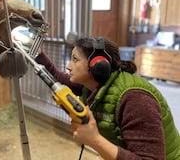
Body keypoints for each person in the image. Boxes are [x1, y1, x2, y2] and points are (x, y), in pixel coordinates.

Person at [37, 36, 180, 160]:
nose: (68, 66)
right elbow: (60, 78)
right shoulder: (93, 84)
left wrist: (95, 140)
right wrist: (38, 55)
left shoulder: (135, 99)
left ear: (97, 66)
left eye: (75, 59)